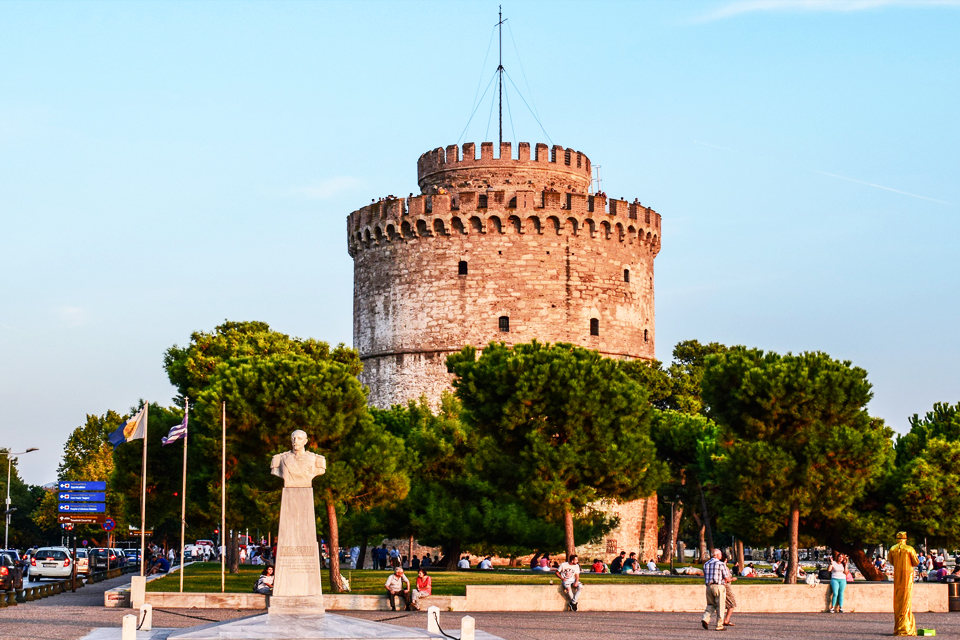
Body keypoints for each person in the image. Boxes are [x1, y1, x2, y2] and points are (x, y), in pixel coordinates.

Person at [889, 531, 919, 636]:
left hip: (898, 575)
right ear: (905, 538)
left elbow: (891, 561)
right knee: (906, 599)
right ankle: (906, 626)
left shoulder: (892, 549)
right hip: (908, 575)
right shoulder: (909, 549)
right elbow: (916, 562)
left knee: (898, 598)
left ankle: (898, 626)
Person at [701, 548, 729, 631]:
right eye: (720, 554)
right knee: (720, 606)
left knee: (711, 604)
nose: (721, 556)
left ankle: (705, 618)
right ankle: (719, 625)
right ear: (717, 555)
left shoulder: (706, 564)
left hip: (709, 587)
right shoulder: (721, 564)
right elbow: (726, 577)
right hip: (718, 586)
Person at [721, 551, 738, 628]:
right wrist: (733, 579)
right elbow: (727, 579)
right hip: (727, 586)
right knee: (732, 603)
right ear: (726, 560)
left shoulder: (718, 566)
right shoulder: (725, 567)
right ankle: (726, 620)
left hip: (720, 586)